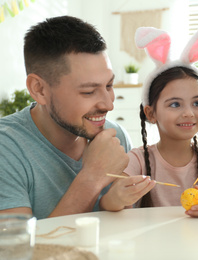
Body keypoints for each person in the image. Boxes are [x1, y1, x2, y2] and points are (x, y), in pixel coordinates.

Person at [100, 13, 198, 217]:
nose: (189, 113)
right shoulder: (136, 161)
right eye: (175, 104)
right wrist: (117, 198)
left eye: (196, 103)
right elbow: (107, 204)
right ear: (151, 113)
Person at [0, 16, 132, 219]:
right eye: (88, 91)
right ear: (40, 89)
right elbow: (16, 249)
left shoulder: (116, 139)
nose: (108, 104)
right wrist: (92, 177)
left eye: (109, 86)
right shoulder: (6, 148)